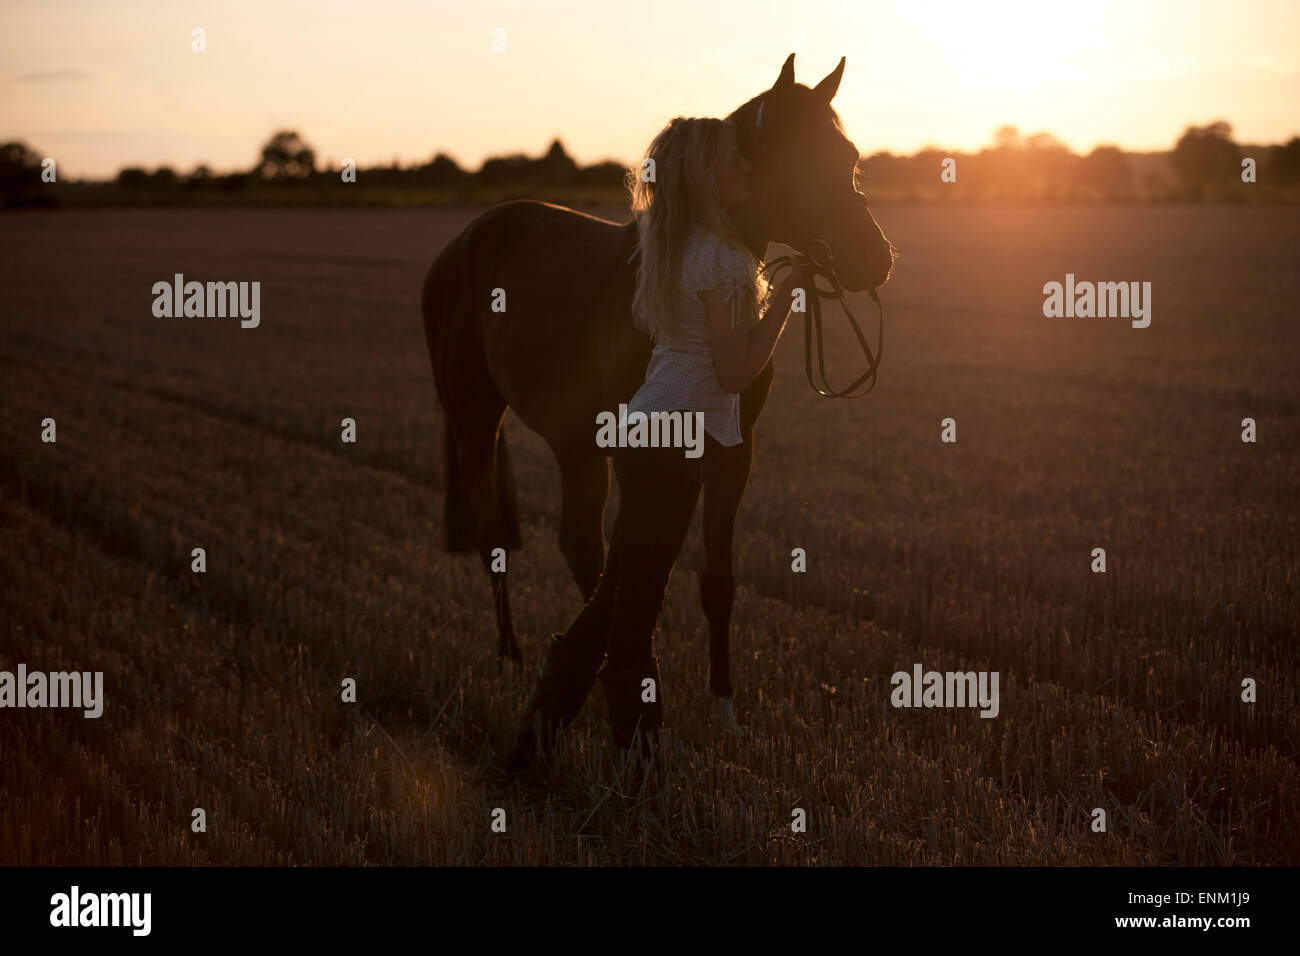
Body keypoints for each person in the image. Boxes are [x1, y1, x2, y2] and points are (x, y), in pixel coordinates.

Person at [508, 115, 813, 768]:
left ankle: (530, 749)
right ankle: (639, 769)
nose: (746, 168)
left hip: (646, 429)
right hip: (677, 447)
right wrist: (784, 300)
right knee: (632, 618)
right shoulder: (728, 259)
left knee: (614, 599)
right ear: (706, 175)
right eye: (733, 159)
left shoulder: (669, 243)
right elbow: (734, 373)